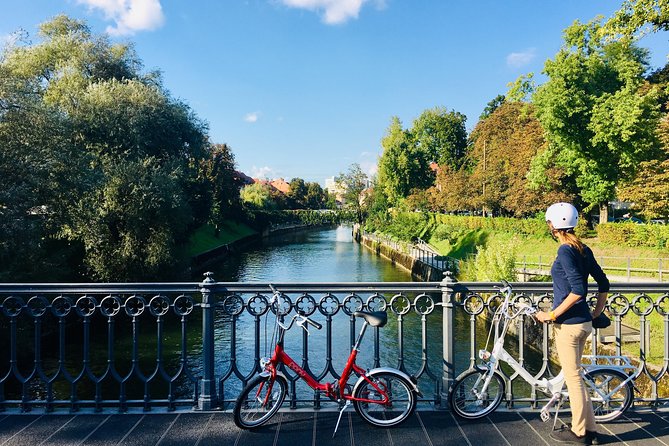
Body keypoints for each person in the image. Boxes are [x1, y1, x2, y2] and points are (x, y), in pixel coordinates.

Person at [535, 202, 609, 445]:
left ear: (553, 226)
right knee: (576, 376)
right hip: (583, 322)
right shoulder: (583, 248)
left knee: (573, 378)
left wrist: (552, 315)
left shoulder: (565, 250)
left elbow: (577, 291)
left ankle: (579, 433)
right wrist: (595, 314)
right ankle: (592, 430)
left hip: (569, 325)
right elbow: (603, 283)